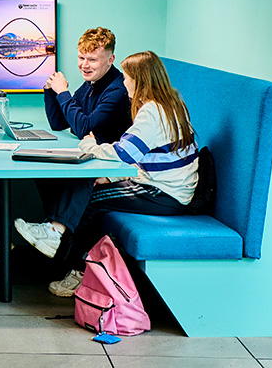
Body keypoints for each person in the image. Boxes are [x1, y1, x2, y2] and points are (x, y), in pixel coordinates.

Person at [18, 51, 199, 296]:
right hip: (167, 188)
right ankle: (56, 235)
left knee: (89, 202)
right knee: (91, 184)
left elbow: (125, 153)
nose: (124, 84)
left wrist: (91, 147)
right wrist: (112, 174)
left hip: (163, 195)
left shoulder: (152, 111)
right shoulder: (173, 102)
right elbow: (145, 156)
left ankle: (77, 269)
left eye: (127, 78)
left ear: (140, 80)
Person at [30, 27, 132, 255]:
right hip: (92, 157)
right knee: (41, 173)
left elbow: (84, 126)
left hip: (110, 166)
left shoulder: (117, 90)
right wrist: (51, 92)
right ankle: (54, 238)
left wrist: (63, 92)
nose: (85, 65)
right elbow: (60, 123)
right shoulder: (90, 85)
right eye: (81, 58)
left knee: (68, 182)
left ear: (110, 59)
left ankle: (59, 242)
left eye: (92, 59)